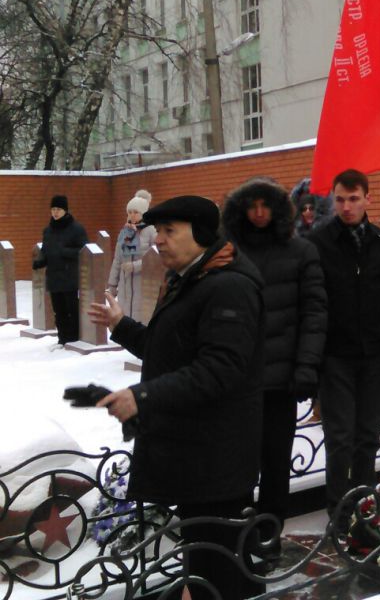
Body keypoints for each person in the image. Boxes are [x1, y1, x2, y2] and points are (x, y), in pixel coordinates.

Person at [88, 195, 264, 600]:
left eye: (170, 231)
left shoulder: (228, 287)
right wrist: (122, 326)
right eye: (158, 232)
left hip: (216, 456)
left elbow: (220, 369)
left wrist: (143, 395)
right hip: (195, 453)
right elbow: (167, 348)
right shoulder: (193, 279)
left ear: (201, 236)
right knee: (204, 557)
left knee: (217, 561)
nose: (159, 240)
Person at [222, 177, 327, 557]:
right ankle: (238, 531)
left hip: (281, 380)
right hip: (237, 380)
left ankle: (269, 533)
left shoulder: (300, 251)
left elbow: (314, 313)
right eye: (252, 206)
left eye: (266, 206)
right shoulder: (228, 252)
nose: (260, 214)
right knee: (238, 461)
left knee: (276, 460)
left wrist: (306, 367)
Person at [307, 169, 380, 517]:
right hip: (336, 356)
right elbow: (313, 302)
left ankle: (365, 507)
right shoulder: (319, 242)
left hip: (375, 355)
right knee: (340, 438)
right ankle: (339, 511)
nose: (346, 206)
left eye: (353, 198)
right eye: (340, 199)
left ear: (367, 199)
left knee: (367, 437)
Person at [33, 195, 88, 347]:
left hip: (70, 276)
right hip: (54, 277)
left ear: (65, 210)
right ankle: (62, 338)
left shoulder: (76, 229)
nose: (55, 212)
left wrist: (64, 252)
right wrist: (40, 261)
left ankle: (74, 338)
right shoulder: (48, 230)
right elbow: (46, 250)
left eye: (58, 209)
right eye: (53, 209)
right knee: (59, 311)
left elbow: (84, 250)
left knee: (72, 310)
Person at [106, 190, 157, 319]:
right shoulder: (125, 232)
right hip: (125, 286)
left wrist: (136, 266)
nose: (132, 215)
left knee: (142, 320)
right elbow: (117, 260)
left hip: (143, 284)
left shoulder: (152, 231)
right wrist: (112, 284)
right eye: (129, 212)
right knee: (125, 319)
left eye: (136, 212)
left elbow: (157, 257)